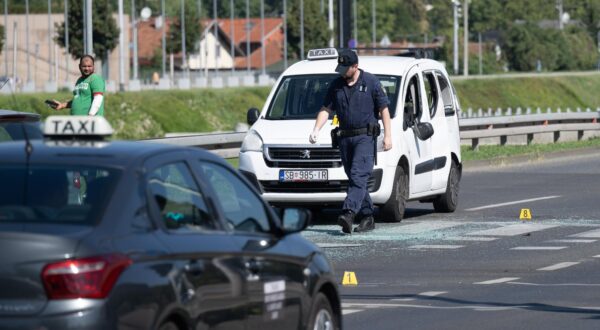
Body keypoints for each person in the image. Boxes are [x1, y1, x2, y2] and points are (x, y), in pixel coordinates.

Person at [309, 49, 392, 234]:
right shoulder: (337, 85)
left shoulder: (371, 82)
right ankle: (368, 216)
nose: (342, 72)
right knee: (355, 178)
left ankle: (348, 213)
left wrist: (388, 136)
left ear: (355, 66)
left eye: (345, 68)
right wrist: (316, 129)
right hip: (345, 138)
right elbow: (326, 109)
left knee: (358, 175)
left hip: (365, 137)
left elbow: (384, 109)